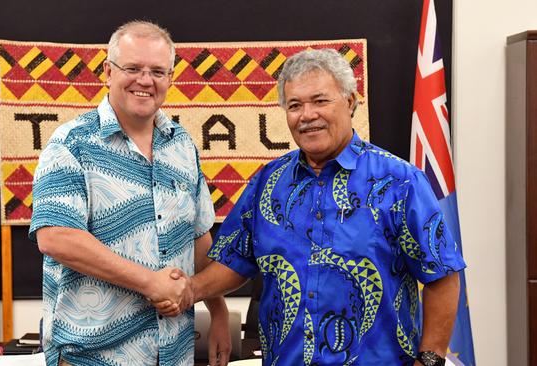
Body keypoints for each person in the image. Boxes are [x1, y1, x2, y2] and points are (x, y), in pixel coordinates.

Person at [157, 48, 465, 366]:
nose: (306, 115)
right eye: (294, 105)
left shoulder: (401, 182)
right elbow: (235, 260)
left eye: (320, 101)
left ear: (350, 102)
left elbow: (442, 275)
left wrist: (430, 359)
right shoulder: (267, 182)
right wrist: (190, 290)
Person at [29, 20, 230, 366]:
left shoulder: (182, 146)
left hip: (173, 354)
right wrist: (150, 283)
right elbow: (56, 237)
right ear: (108, 72)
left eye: (157, 71)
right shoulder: (71, 144)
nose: (145, 80)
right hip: (92, 357)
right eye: (132, 68)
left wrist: (219, 311)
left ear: (170, 78)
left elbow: (197, 238)